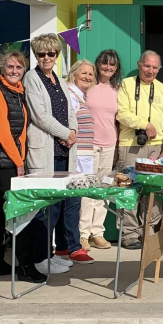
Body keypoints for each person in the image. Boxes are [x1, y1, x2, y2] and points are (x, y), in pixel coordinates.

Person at [0, 49, 46, 283]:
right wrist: (19, 162)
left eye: (18, 68)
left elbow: (20, 132)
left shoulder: (18, 92)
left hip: (12, 160)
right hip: (3, 163)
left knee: (2, 214)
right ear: (2, 68)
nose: (14, 71)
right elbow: (2, 133)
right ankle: (26, 265)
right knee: (19, 213)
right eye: (10, 67)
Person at [24, 33, 79, 273]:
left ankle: (52, 253)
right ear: (36, 55)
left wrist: (73, 130)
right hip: (46, 150)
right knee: (43, 209)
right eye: (41, 54)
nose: (47, 58)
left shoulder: (59, 79)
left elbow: (69, 110)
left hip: (63, 151)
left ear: (57, 55)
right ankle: (40, 258)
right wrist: (65, 133)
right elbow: (40, 116)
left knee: (57, 206)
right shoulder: (32, 78)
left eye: (51, 53)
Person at [116, 50, 163, 250]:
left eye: (154, 67)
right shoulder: (126, 84)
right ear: (139, 64)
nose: (150, 70)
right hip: (130, 145)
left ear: (159, 69)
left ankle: (148, 232)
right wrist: (144, 124)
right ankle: (129, 235)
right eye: (147, 66)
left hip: (156, 148)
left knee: (153, 193)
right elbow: (121, 114)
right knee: (129, 190)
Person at [79, 49, 121, 251]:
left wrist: (118, 147)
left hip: (109, 145)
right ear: (98, 64)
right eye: (104, 63)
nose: (108, 67)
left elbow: (118, 121)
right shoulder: (88, 86)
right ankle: (83, 234)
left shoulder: (117, 90)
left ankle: (98, 232)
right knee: (87, 190)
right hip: (88, 145)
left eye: (112, 64)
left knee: (103, 189)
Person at [64, 60, 96, 264]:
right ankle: (73, 247)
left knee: (74, 201)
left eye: (91, 74)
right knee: (72, 203)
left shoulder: (81, 96)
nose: (87, 77)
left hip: (83, 155)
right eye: (83, 73)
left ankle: (68, 246)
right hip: (74, 156)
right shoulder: (71, 95)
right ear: (74, 74)